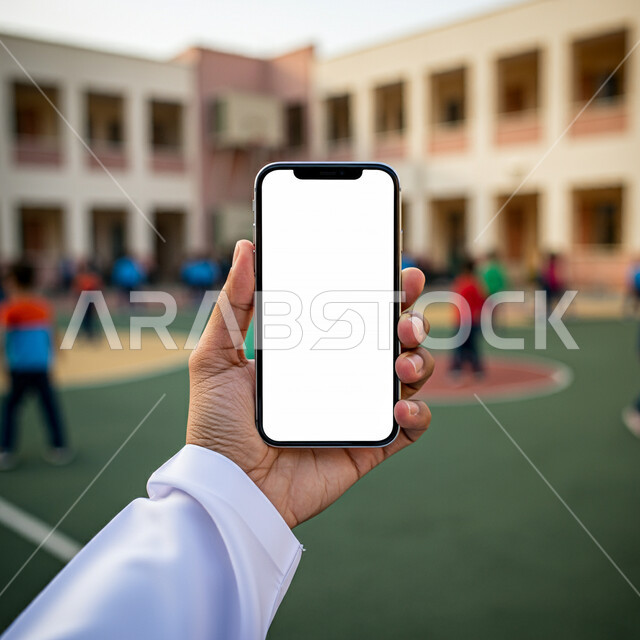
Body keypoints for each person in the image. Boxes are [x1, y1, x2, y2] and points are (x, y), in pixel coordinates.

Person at [2, 240, 434, 639]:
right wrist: (231, 491)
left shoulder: (24, 307)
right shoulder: (37, 306)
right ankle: (51, 441)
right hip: (42, 371)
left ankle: (17, 442)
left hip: (28, 369)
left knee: (19, 408)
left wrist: (227, 493)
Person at [0, 262, 71, 471]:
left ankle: (6, 449)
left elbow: (4, 339)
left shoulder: (10, 308)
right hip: (40, 365)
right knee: (49, 406)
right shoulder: (42, 305)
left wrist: (4, 363)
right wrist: (55, 356)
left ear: (13, 282)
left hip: (20, 366)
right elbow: (51, 333)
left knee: (11, 409)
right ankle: (59, 446)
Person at [450, 257, 486, 379]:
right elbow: (480, 301)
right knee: (470, 346)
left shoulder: (464, 282)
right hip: (467, 320)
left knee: (462, 346)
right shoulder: (473, 283)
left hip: (465, 320)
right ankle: (475, 369)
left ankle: (458, 369)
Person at [72, 260, 103, 341]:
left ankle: (90, 333)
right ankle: (85, 333)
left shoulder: (89, 278)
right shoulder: (82, 278)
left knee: (89, 318)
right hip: (84, 300)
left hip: (89, 301)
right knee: (84, 318)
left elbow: (96, 289)